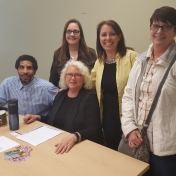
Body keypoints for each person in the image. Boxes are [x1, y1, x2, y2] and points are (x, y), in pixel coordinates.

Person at [121, 6, 176, 176]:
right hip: (137, 140)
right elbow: (129, 95)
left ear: (174, 31)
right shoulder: (140, 60)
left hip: (166, 148)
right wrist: (130, 129)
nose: (159, 31)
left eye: (166, 26)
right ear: (150, 28)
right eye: (155, 26)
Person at [24, 60, 104, 154]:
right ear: (64, 77)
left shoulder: (90, 97)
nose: (72, 78)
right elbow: (57, 118)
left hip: (80, 147)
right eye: (69, 74)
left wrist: (75, 136)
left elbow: (94, 128)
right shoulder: (60, 95)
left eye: (77, 75)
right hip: (58, 144)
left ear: (84, 78)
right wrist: (38, 117)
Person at [90, 20, 138, 150]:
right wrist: (67, 89)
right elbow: (89, 83)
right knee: (113, 153)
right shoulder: (99, 62)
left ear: (119, 36)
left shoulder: (132, 57)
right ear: (99, 38)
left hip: (131, 119)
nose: (108, 38)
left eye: (112, 34)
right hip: (108, 119)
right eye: (103, 34)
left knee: (132, 158)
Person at [0, 55, 58, 119]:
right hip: (18, 123)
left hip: (40, 124)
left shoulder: (47, 88)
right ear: (17, 69)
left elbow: (62, 108)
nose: (25, 71)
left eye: (29, 68)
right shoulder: (8, 83)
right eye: (21, 67)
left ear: (35, 71)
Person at [49, 19, 97, 87]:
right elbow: (53, 81)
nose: (72, 34)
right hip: (66, 95)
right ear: (65, 34)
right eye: (69, 31)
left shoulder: (90, 53)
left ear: (81, 35)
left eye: (75, 31)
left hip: (86, 95)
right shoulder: (58, 54)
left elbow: (96, 79)